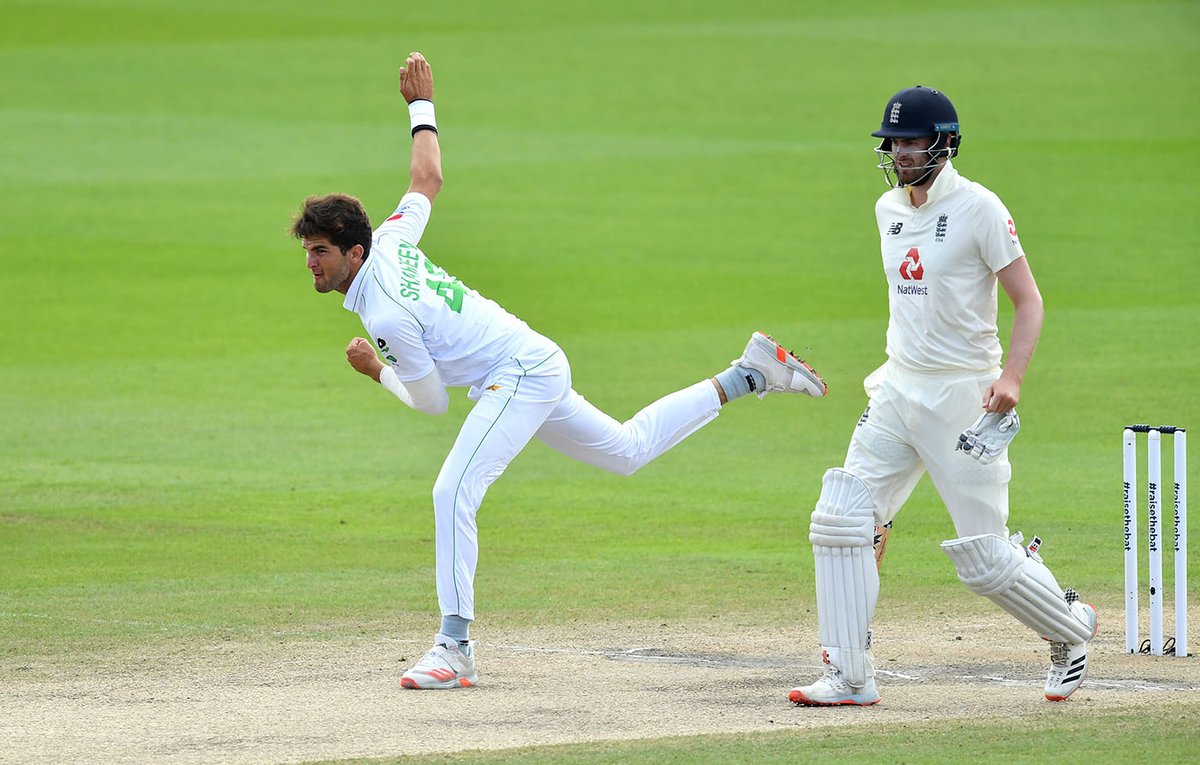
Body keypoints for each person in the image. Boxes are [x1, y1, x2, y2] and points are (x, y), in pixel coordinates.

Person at [291, 52, 828, 690]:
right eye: (307, 252)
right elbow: (426, 177)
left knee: (451, 491)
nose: (312, 265)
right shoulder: (395, 236)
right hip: (531, 361)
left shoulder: (386, 312)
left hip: (517, 372)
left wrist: (373, 372)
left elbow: (432, 402)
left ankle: (452, 647)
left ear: (355, 250)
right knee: (627, 451)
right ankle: (748, 374)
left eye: (321, 253)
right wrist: (421, 106)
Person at [787, 86, 1097, 707]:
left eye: (911, 141)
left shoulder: (981, 208)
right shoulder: (886, 209)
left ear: (945, 143)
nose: (900, 152)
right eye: (892, 142)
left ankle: (1072, 627)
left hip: (965, 398)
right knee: (841, 518)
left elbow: (1029, 302)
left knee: (985, 561)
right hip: (899, 388)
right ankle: (851, 676)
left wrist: (1010, 377)